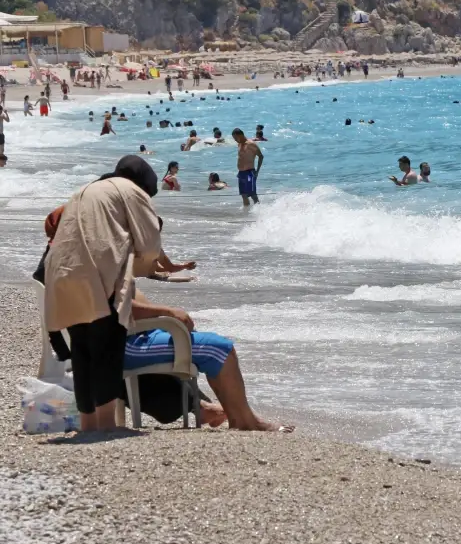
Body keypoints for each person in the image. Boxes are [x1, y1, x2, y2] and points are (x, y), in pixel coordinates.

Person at [43, 156, 163, 432]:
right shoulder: (132, 191)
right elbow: (149, 242)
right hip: (97, 275)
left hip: (62, 271)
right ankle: (107, 425)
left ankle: (88, 425)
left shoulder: (89, 188)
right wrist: (148, 267)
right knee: (106, 348)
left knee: (82, 349)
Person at [126, 291, 292, 432]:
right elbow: (117, 305)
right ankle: (245, 422)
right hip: (124, 343)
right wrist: (168, 312)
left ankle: (239, 415)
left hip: (136, 332)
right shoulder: (105, 254)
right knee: (218, 350)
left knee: (201, 340)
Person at [232, 128, 263, 206]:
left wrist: (257, 172)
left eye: (236, 138)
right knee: (244, 195)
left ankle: (259, 212)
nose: (235, 140)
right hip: (241, 173)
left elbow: (261, 156)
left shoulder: (251, 144)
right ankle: (246, 214)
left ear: (241, 135)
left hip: (249, 173)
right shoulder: (239, 144)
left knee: (253, 195)